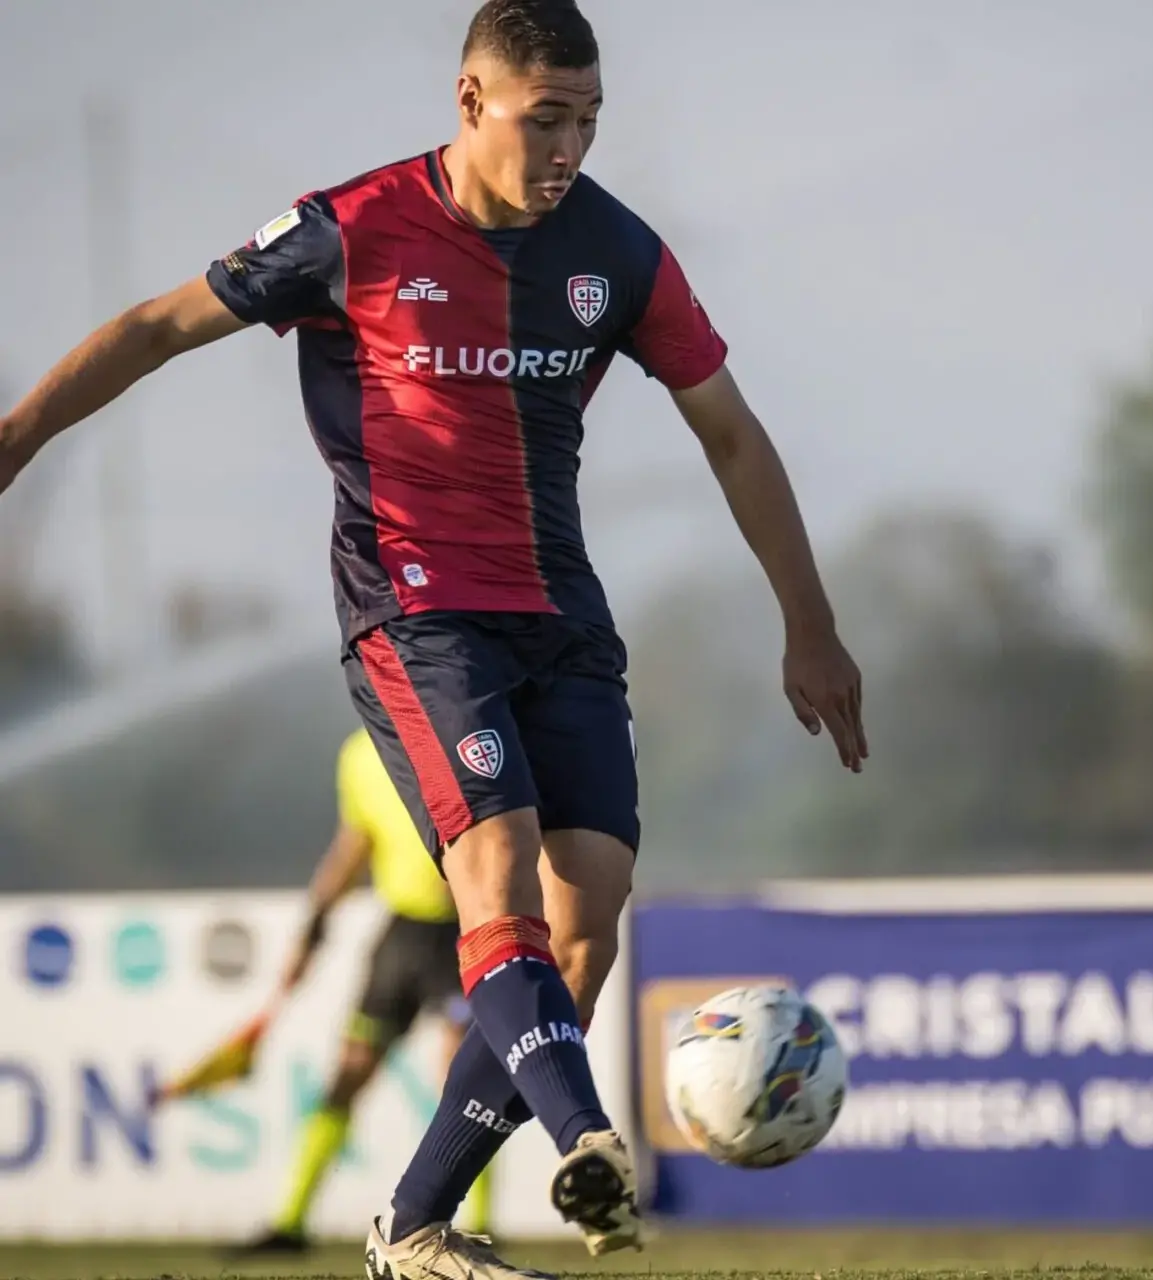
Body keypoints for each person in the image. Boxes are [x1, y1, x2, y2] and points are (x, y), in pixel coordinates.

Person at [0, 1, 867, 1275]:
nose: (568, 145)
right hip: (414, 609)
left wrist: (811, 622)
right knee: (499, 872)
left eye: (587, 118)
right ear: (471, 103)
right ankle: (589, 1141)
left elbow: (728, 431)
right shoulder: (347, 228)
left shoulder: (617, 253)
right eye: (544, 117)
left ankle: (411, 1227)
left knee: (589, 924)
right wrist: (15, 439)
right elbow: (151, 327)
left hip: (562, 616)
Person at [240, 727, 494, 1255]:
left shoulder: (462, 736)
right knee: (350, 1071)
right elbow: (355, 841)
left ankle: (477, 1224)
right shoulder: (360, 754)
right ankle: (290, 1221)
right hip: (401, 937)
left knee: (462, 1073)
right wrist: (314, 927)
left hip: (466, 930)